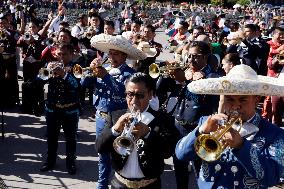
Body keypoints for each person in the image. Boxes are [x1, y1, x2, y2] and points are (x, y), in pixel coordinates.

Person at [176, 64, 284, 189]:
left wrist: (241, 146)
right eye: (230, 99)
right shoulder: (207, 122)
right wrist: (200, 131)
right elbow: (181, 154)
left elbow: (272, 178)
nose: (235, 106)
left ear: (256, 99)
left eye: (243, 100)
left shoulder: (275, 134)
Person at [95, 73, 179, 189]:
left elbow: (168, 151)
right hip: (119, 184)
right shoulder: (115, 116)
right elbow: (99, 147)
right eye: (130, 94)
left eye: (140, 95)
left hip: (149, 185)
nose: (134, 101)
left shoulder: (163, 119)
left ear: (150, 95)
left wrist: (148, 134)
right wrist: (115, 129)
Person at [90, 34, 147, 189]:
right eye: (110, 53)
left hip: (118, 117)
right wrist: (90, 71)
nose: (111, 56)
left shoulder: (129, 73)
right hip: (101, 116)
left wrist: (106, 76)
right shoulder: (104, 68)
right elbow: (83, 84)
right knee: (102, 151)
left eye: (115, 53)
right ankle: (101, 184)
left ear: (123, 56)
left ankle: (119, 182)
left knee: (119, 152)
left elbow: (123, 92)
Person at [39, 43, 80, 175]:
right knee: (51, 137)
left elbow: (77, 86)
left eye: (65, 54)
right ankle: (50, 161)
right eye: (59, 54)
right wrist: (46, 72)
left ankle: (71, 163)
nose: (61, 57)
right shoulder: (51, 65)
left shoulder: (76, 68)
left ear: (72, 55)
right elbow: (37, 81)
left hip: (70, 110)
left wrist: (64, 75)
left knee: (70, 138)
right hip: (52, 110)